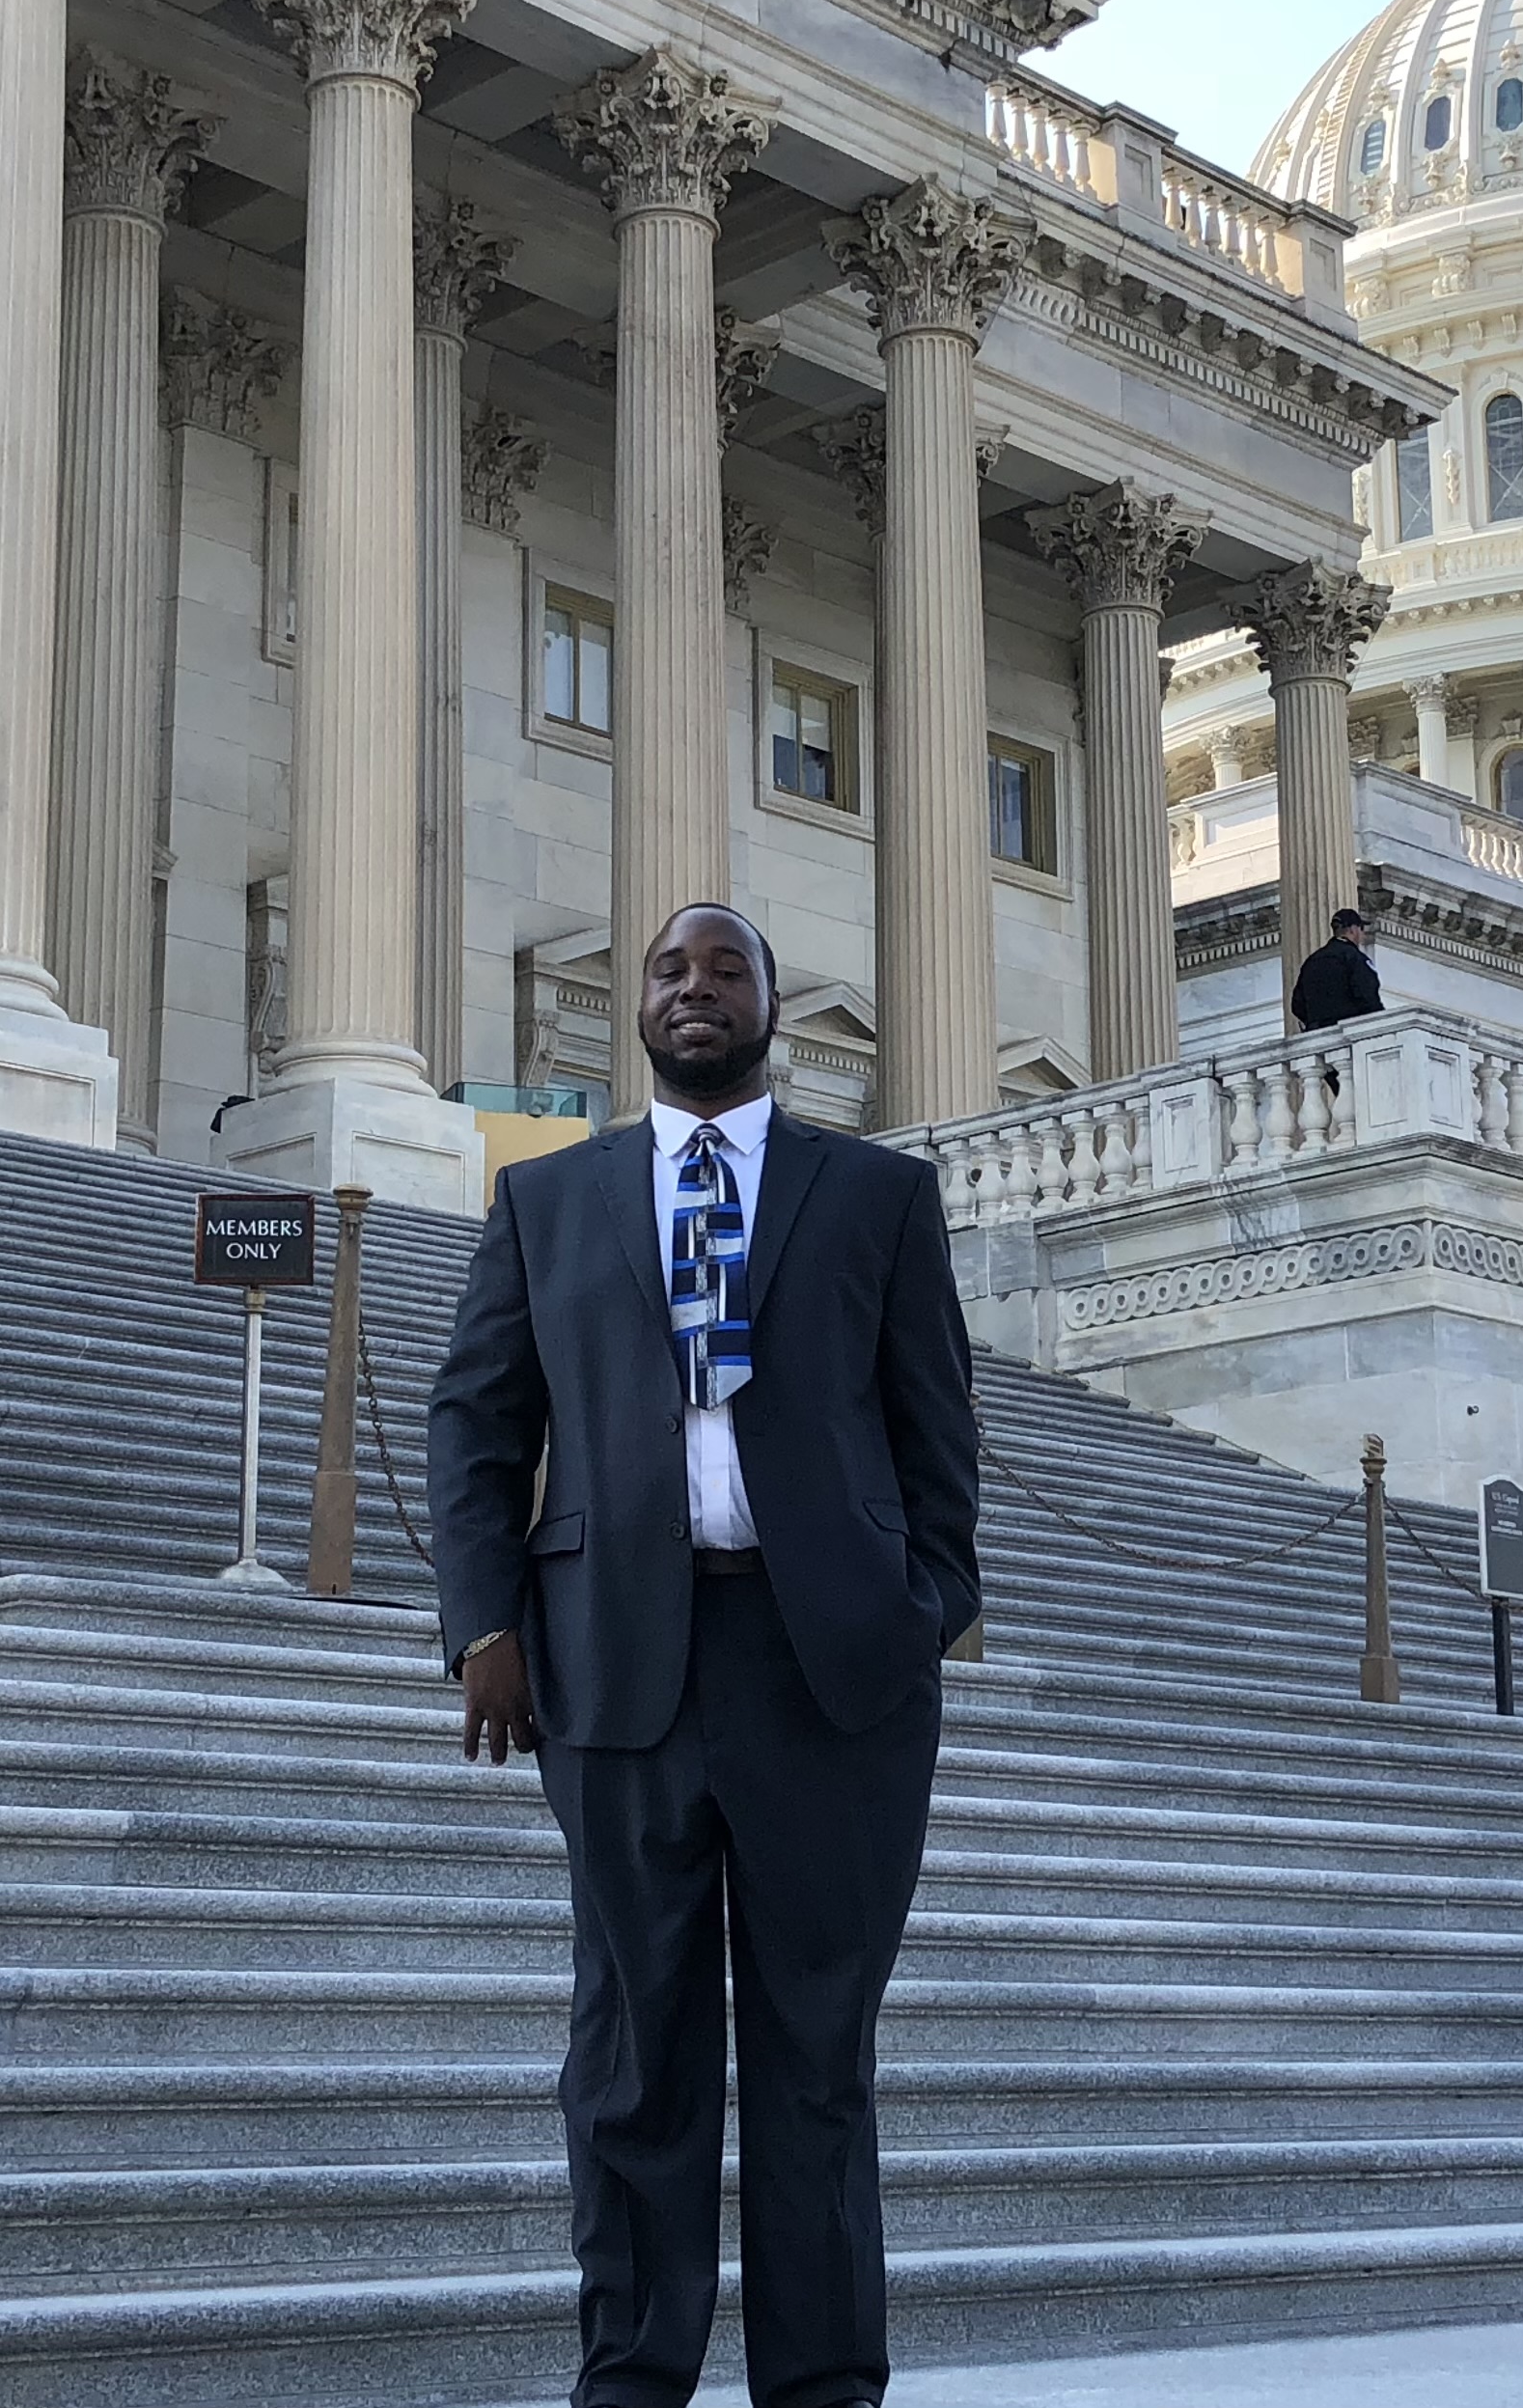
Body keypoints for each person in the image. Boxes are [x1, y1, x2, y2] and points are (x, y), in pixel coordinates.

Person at [427, 901, 981, 2408]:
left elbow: (939, 1432)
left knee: (816, 2055)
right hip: (614, 1666)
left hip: (830, 1677)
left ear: (769, 1005)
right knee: (632, 2052)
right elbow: (477, 1423)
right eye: (669, 969)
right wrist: (483, 1623)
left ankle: (822, 2385)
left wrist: (925, 1604)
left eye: (721, 968)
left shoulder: (873, 1196)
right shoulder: (550, 1203)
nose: (691, 989)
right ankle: (631, 2376)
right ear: (641, 1008)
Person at [1289, 906, 1384, 1034]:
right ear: (1353, 929)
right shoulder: (1355, 958)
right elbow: (1367, 994)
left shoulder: (1312, 961)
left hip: (1317, 1035)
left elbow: (1297, 1004)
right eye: (1361, 929)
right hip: (1348, 1033)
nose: (1362, 935)